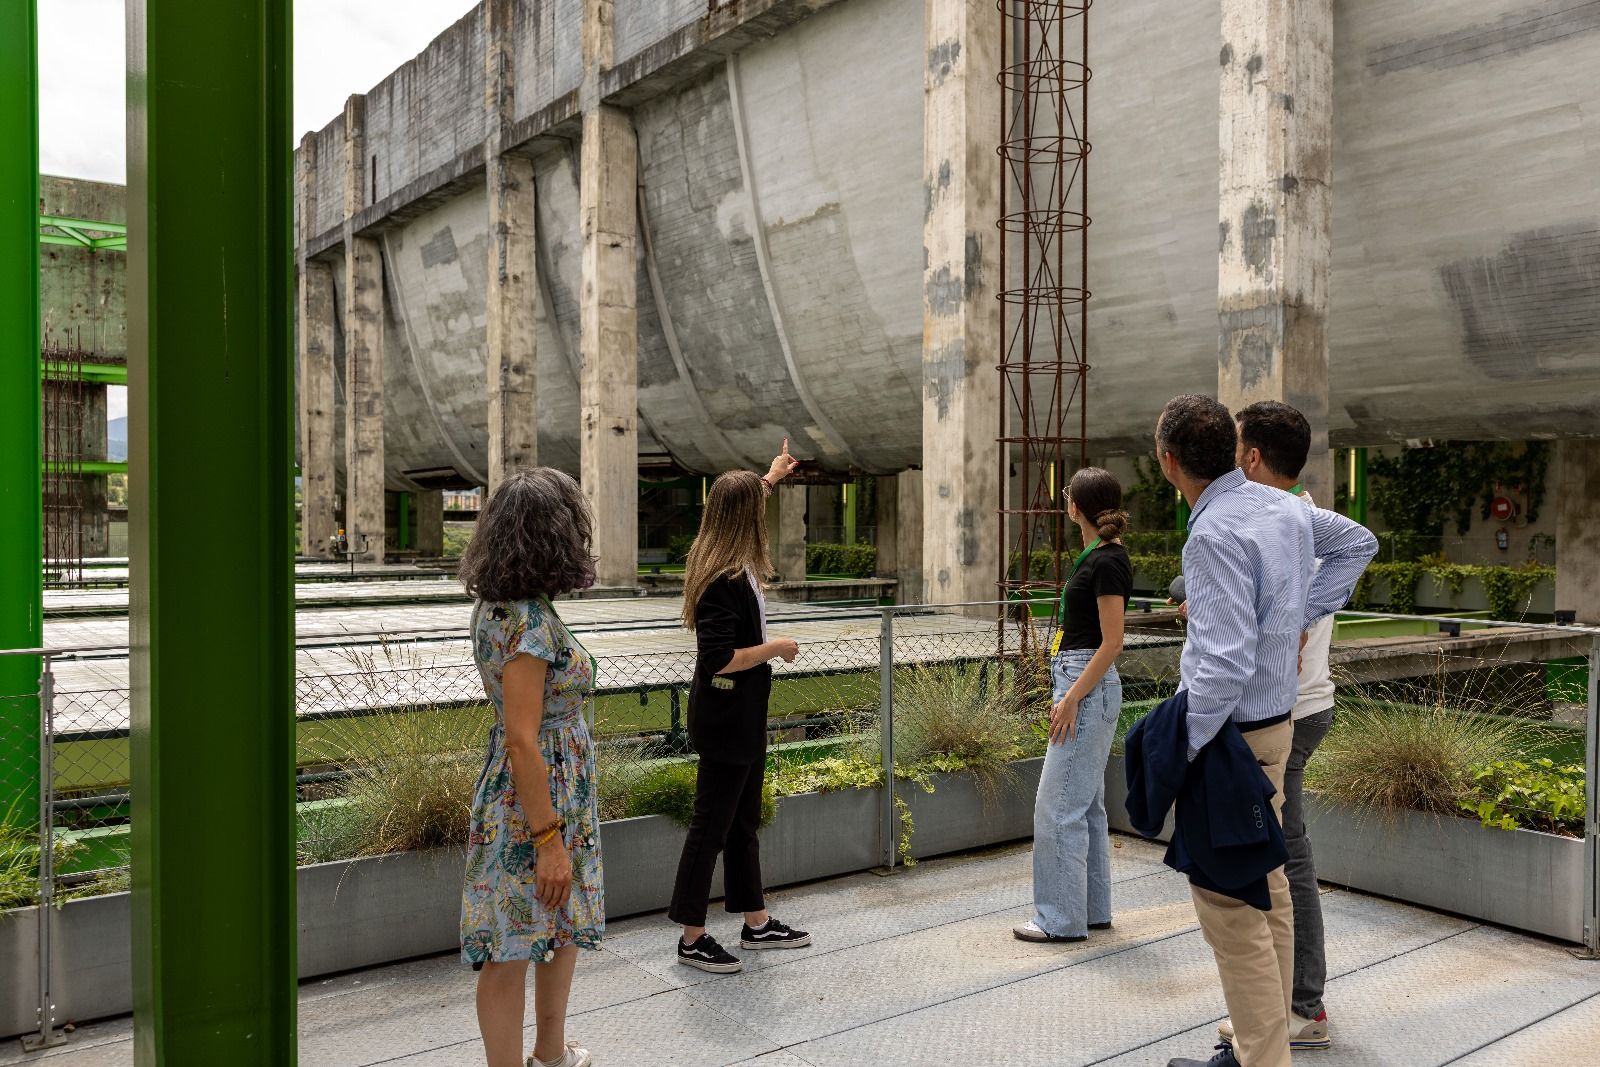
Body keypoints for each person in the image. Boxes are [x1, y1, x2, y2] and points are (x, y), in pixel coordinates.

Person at [1154, 396, 1376, 1067]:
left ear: (1168, 462)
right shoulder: (1284, 509)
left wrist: (1179, 747)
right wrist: (1296, 612)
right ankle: (1263, 1042)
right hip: (1275, 727)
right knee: (1270, 888)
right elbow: (1359, 540)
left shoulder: (1213, 532)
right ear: (1231, 450)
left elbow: (1220, 664)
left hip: (1232, 739)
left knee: (1233, 912)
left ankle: (1263, 1057)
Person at [458, 468, 605, 1067]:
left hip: (534, 790)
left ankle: (550, 1050)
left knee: (552, 927)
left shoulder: (498, 608)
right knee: (511, 944)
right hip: (537, 801)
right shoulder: (531, 625)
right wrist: (548, 839)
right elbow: (523, 738)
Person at [1212, 401, 1337, 1052]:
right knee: (1283, 858)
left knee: (1282, 861)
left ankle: (1297, 1007)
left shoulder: (1289, 528)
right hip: (1298, 705)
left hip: (1287, 711)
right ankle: (1288, 1004)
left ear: (1252, 456)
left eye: (1235, 446)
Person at [668, 443, 813, 974]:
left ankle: (756, 923)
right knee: (711, 827)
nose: (762, 514)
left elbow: (752, 494)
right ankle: (691, 938)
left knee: (743, 824)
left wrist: (772, 475)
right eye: (757, 506)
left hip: (743, 718)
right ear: (741, 520)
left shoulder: (734, 565)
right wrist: (777, 649)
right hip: (726, 721)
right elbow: (719, 659)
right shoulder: (722, 582)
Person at [1014, 467, 1134, 943]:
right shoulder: (1099, 555)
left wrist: (1069, 699)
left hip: (1085, 683)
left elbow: (1112, 642)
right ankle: (1089, 910)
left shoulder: (1106, 561)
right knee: (1085, 806)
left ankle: (1058, 919)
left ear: (1075, 506)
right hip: (1082, 679)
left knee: (1055, 807)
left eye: (1066, 495)